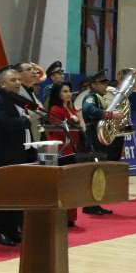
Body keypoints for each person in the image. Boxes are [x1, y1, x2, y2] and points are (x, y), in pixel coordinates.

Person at [0, 66, 36, 245]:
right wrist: (23, 121)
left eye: (18, 80)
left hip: (20, 151)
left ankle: (15, 228)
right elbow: (4, 123)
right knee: (3, 194)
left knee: (17, 193)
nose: (17, 83)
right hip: (4, 154)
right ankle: (1, 231)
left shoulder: (16, 99)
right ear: (1, 83)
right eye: (13, 80)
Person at [45, 81, 85, 227]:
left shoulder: (71, 108)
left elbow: (79, 125)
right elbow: (59, 128)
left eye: (69, 91)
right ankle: (62, 216)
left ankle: (70, 216)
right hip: (61, 149)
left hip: (72, 147)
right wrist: (72, 120)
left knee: (71, 184)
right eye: (65, 91)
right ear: (58, 94)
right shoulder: (55, 109)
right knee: (63, 185)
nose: (68, 94)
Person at [79, 71, 118, 216]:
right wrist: (110, 114)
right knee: (94, 172)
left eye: (106, 82)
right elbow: (89, 109)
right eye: (102, 83)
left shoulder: (99, 97)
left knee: (98, 171)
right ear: (93, 84)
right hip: (93, 138)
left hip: (98, 138)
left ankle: (94, 204)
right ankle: (90, 205)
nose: (105, 85)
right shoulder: (90, 97)